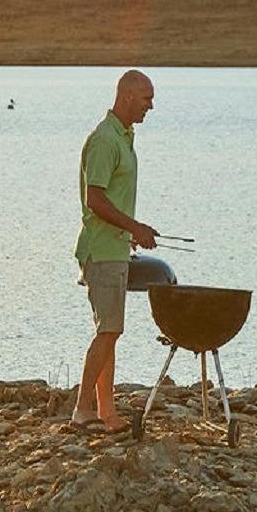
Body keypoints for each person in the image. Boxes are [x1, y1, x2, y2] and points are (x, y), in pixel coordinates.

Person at [70, 70, 158, 433]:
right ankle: (82, 409)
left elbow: (113, 199)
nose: (150, 106)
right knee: (108, 331)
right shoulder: (105, 140)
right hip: (101, 250)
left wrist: (130, 232)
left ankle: (107, 413)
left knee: (111, 332)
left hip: (116, 248)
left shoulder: (124, 136)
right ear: (127, 96)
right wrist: (134, 226)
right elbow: (95, 199)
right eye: (146, 98)